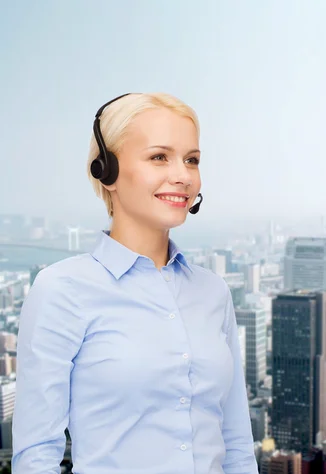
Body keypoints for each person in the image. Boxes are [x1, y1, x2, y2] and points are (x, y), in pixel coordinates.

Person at [12, 92, 258, 474]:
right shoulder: (61, 290)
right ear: (105, 170)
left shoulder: (213, 292)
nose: (182, 175)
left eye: (191, 160)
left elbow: (237, 442)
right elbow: (36, 456)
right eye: (159, 156)